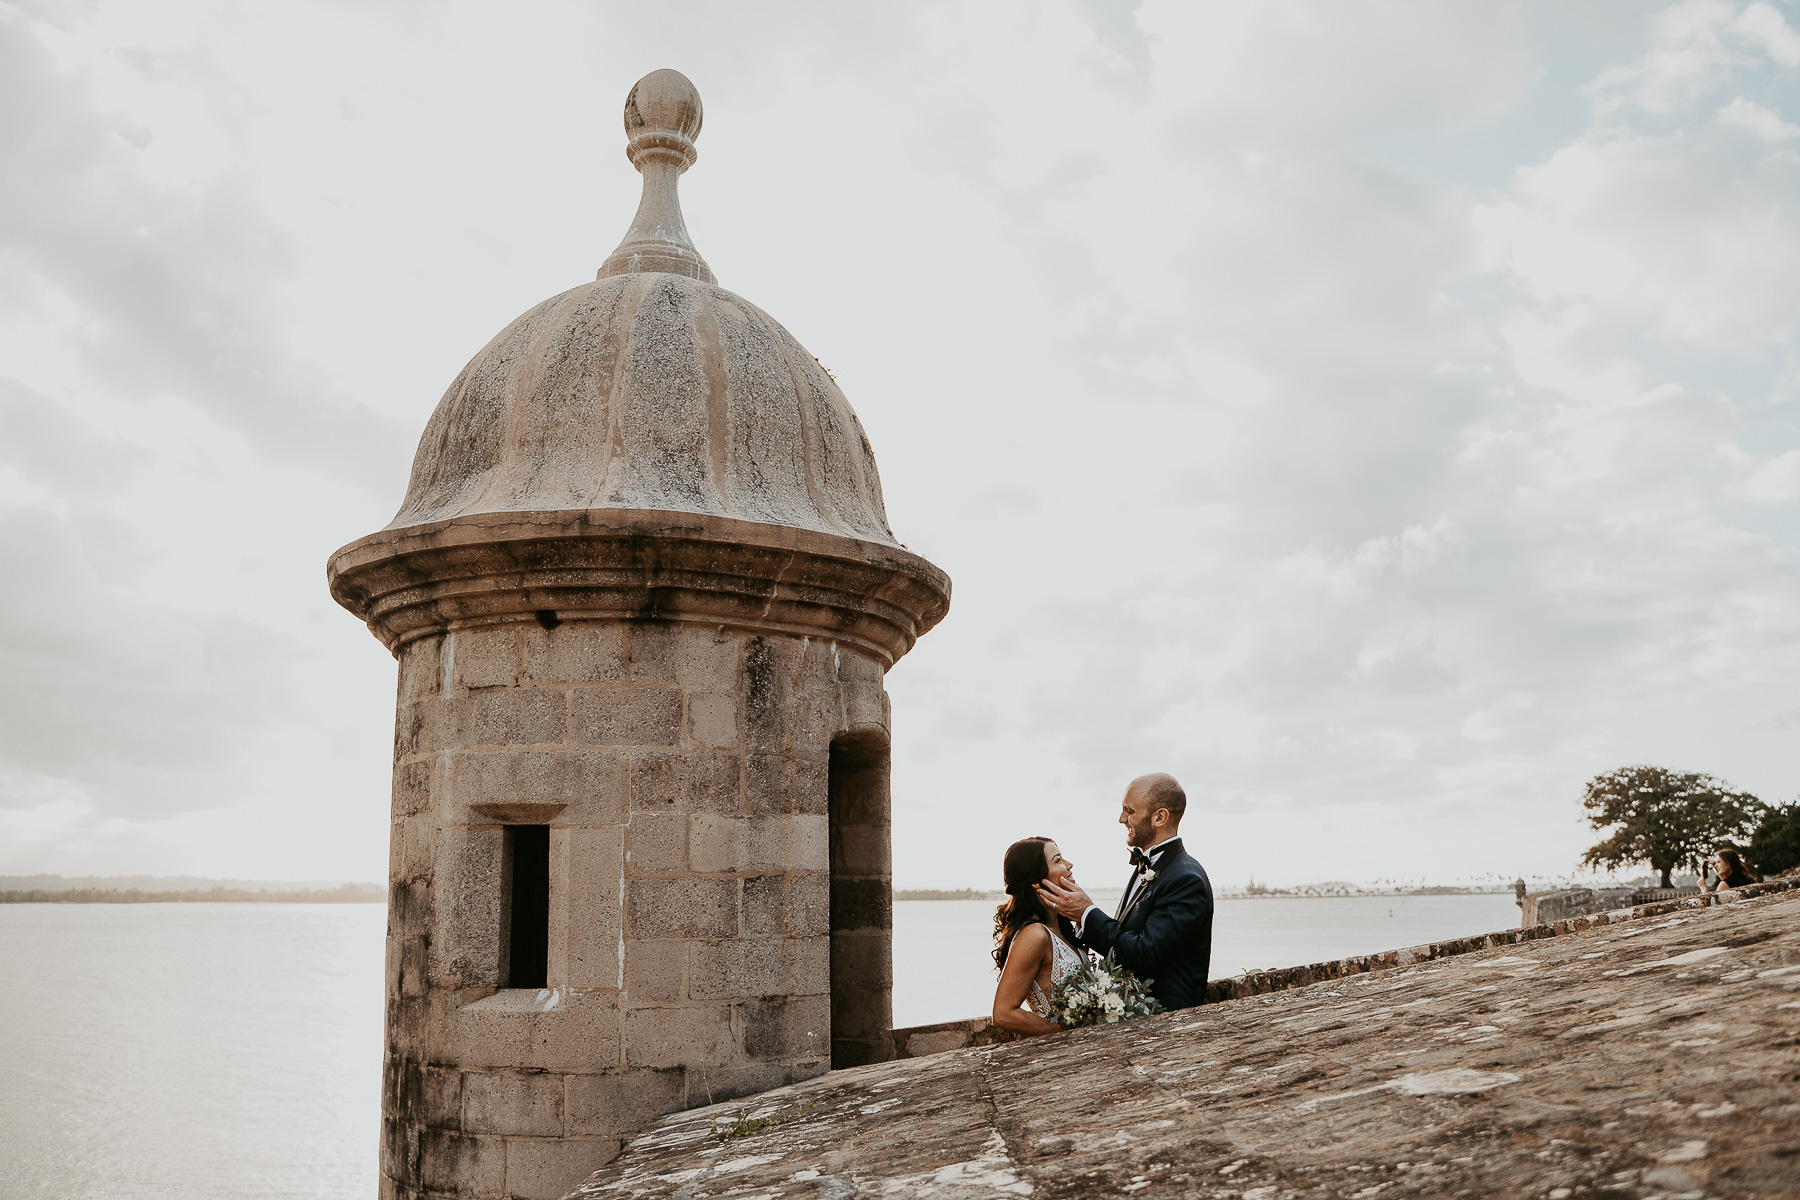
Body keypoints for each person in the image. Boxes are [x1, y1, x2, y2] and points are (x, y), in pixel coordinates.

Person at [1036, 772, 1214, 1011]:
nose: (1121, 819)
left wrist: (1086, 913)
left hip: (1166, 1019)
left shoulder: (1185, 879)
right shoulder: (1150, 865)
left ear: (1160, 817)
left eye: (1130, 811)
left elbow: (1145, 955)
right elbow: (1129, 939)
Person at [990, 837, 1089, 1036]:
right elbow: (1003, 1014)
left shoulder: (1062, 928)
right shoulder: (1034, 935)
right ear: (1035, 881)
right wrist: (1065, 1029)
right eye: (1058, 860)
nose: (1069, 865)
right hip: (1060, 1051)